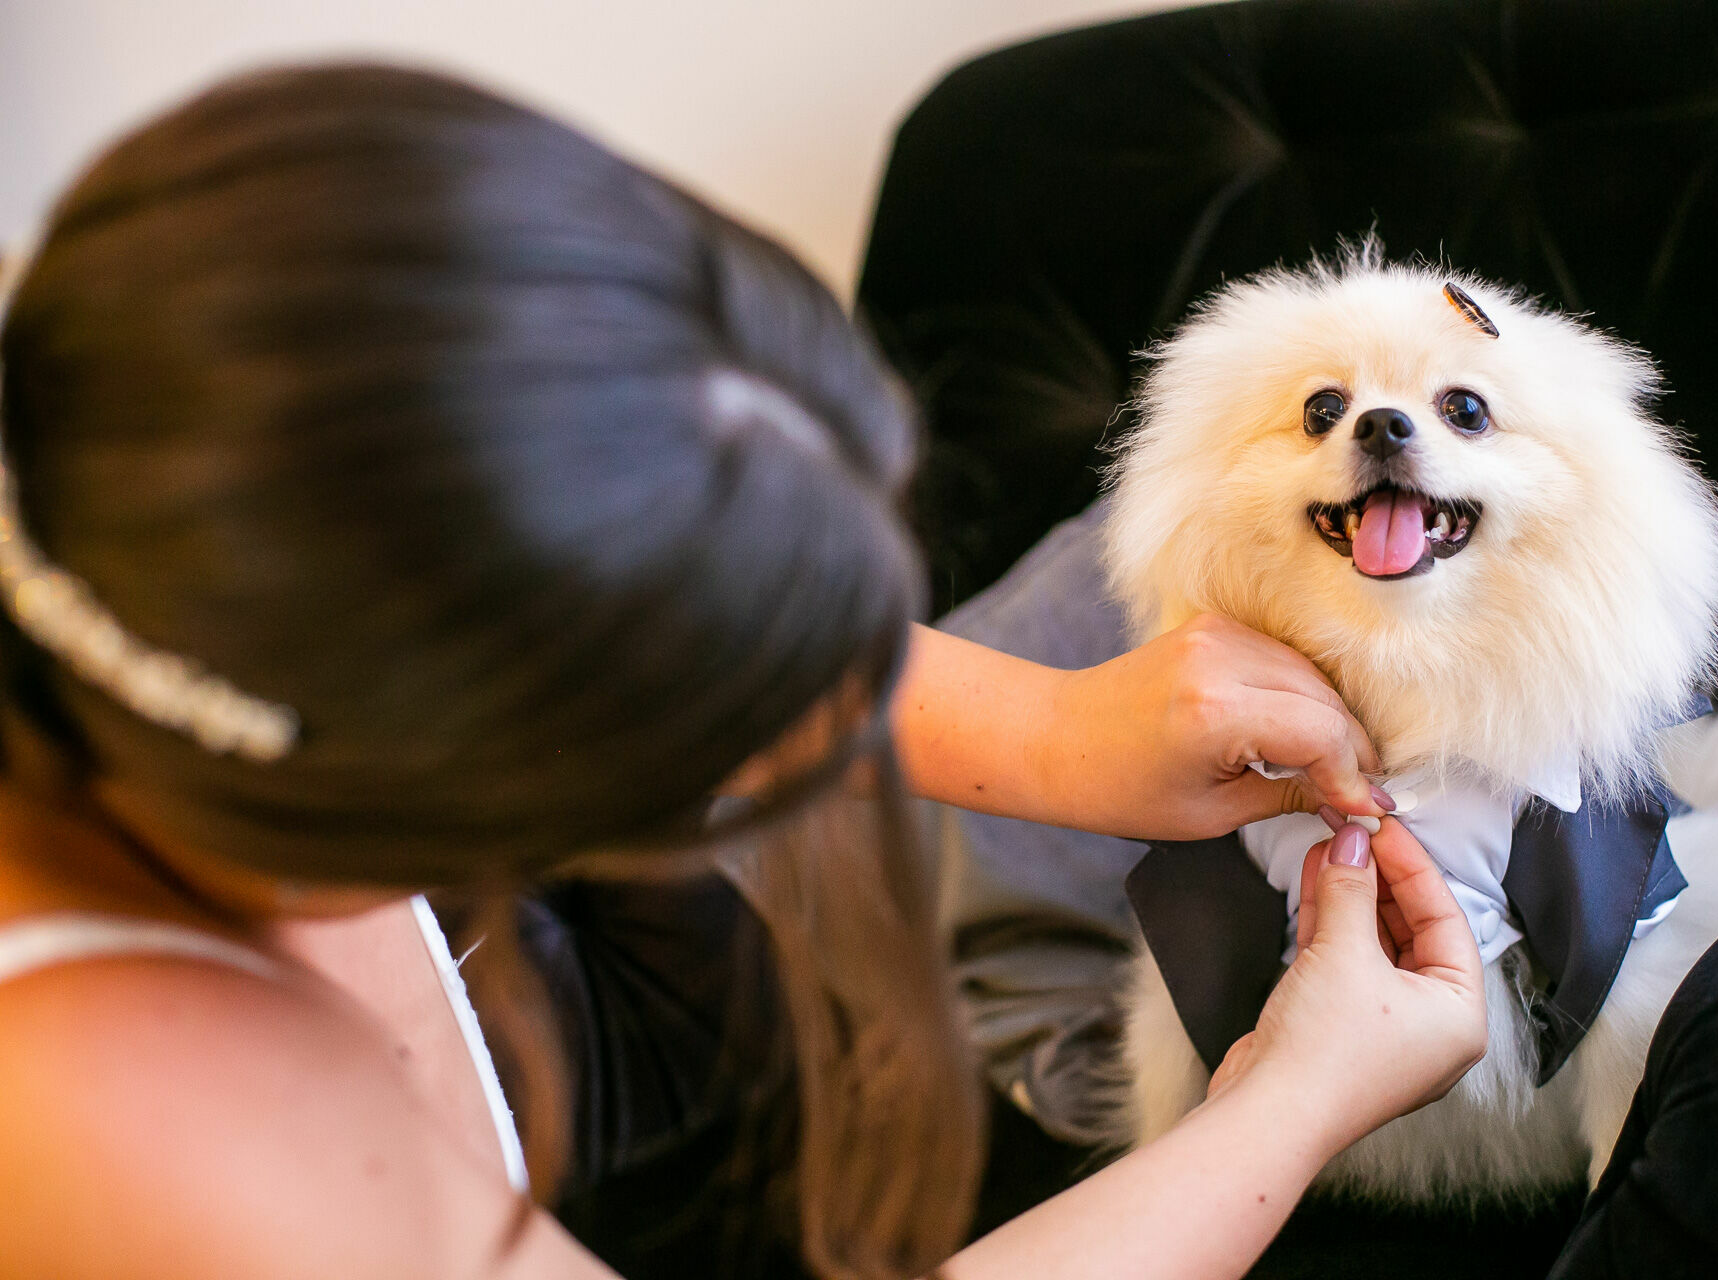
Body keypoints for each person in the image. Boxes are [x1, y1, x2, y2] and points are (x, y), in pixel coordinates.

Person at [0, 65, 1483, 1280]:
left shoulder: (153, 492)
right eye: (702, 741)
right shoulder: (134, 1118)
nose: (780, 749)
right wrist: (1286, 1110)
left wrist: (1048, 728)